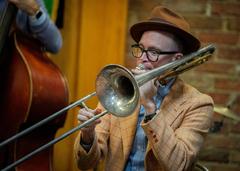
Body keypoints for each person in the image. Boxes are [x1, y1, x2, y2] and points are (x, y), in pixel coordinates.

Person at [74, 5, 214, 171]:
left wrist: (149, 106)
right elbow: (85, 165)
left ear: (176, 59)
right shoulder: (119, 88)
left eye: (153, 52)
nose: (142, 59)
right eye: (140, 49)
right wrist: (88, 135)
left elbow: (179, 165)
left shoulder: (198, 104)